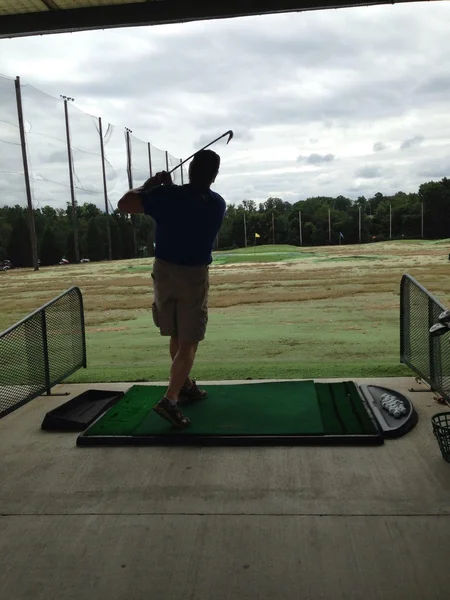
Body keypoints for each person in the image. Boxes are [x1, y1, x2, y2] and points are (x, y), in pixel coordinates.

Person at [117, 150, 226, 428]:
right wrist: (165, 189)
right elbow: (188, 201)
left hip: (164, 274)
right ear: (214, 176)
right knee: (189, 342)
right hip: (193, 277)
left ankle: (185, 385)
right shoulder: (217, 203)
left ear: (188, 170)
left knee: (177, 333)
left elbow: (124, 203)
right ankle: (171, 399)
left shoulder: (166, 196)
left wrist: (151, 184)